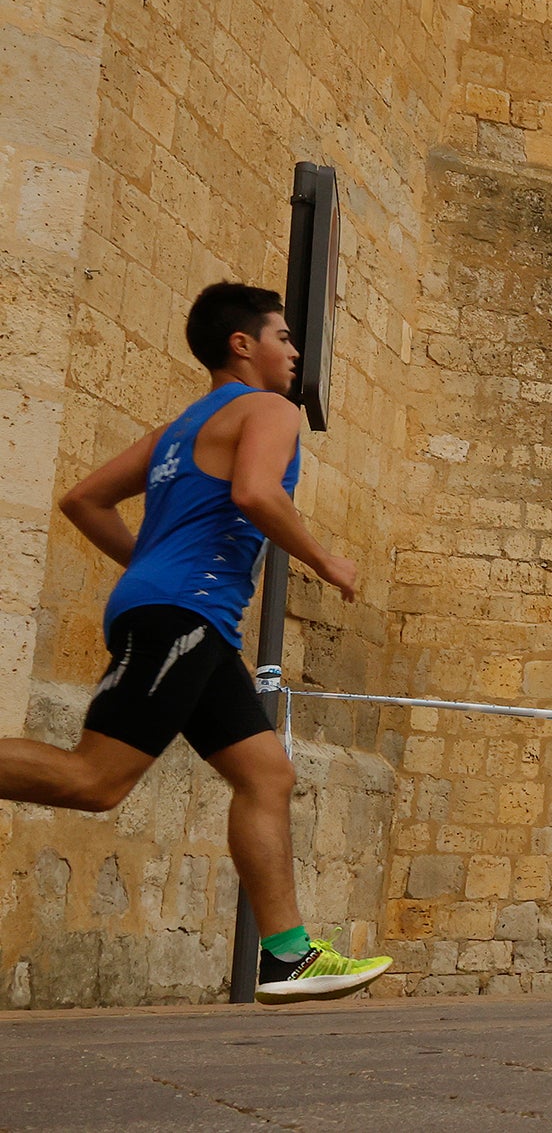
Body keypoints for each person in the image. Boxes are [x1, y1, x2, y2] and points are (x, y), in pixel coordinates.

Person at [0, 282, 392, 1004]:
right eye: (282, 337)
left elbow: (83, 499)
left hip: (188, 616)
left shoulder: (176, 430)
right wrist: (324, 559)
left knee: (267, 774)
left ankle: (287, 956)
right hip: (185, 613)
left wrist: (149, 566)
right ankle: (289, 955)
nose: (294, 351)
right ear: (243, 345)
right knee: (95, 781)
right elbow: (255, 493)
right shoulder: (270, 410)